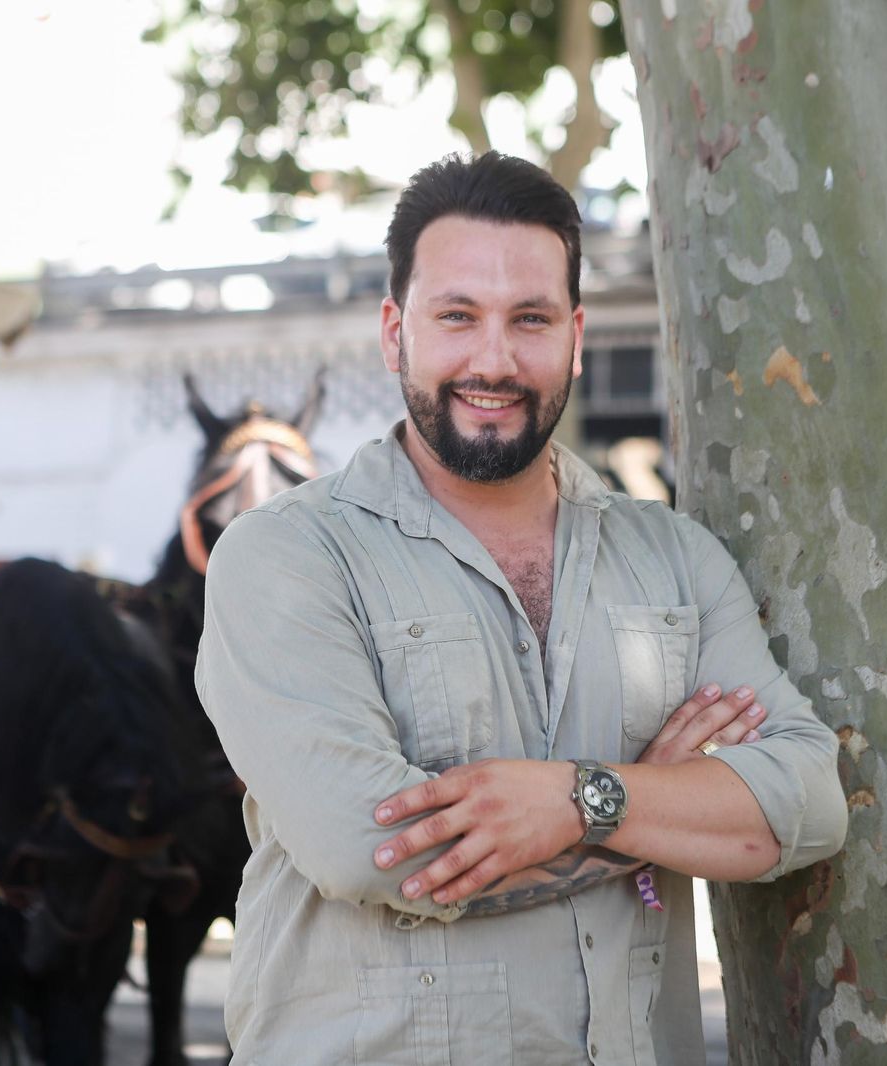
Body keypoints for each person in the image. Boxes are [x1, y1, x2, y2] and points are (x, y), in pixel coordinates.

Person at [195, 152, 848, 1064]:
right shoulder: (287, 557)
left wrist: (579, 800)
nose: (494, 360)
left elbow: (807, 803)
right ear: (395, 334)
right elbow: (366, 850)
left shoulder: (677, 558)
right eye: (456, 316)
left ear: (575, 336)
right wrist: (651, 815)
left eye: (530, 319)